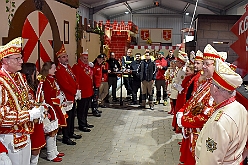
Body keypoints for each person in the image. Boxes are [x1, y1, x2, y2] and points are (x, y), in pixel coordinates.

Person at [177, 45, 226, 165]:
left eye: (206, 64)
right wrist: (183, 111)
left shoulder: (218, 88)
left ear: (217, 65)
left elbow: (209, 115)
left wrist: (184, 120)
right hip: (194, 132)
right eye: (202, 63)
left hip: (202, 136)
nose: (203, 67)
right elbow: (193, 100)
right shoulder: (207, 82)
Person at [0, 37, 44, 165]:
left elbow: (24, 102)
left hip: (25, 132)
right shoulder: (1, 82)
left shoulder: (20, 77)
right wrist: (29, 115)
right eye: (17, 59)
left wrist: (37, 108)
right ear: (5, 60)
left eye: (21, 58)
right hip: (10, 137)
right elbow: (2, 117)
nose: (21, 61)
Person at [195, 58, 248, 165]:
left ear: (215, 89)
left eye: (212, 83)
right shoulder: (240, 107)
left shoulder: (218, 123)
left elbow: (210, 161)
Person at [41, 61, 70, 161]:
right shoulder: (46, 81)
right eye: (53, 68)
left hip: (56, 106)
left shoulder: (51, 79)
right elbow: (48, 98)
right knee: (51, 131)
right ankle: (50, 154)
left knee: (56, 130)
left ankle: (55, 151)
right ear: (48, 69)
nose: (56, 70)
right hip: (52, 108)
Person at [55, 44, 82, 145]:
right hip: (67, 97)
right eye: (63, 57)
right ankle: (66, 137)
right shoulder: (59, 70)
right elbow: (64, 85)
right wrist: (74, 92)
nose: (66, 58)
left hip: (72, 96)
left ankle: (71, 133)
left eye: (66, 56)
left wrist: (77, 89)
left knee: (72, 116)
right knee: (67, 118)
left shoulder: (68, 67)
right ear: (59, 59)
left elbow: (74, 79)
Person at [20, 63, 46, 165]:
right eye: (36, 71)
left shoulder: (34, 85)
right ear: (31, 73)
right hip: (31, 121)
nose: (38, 73)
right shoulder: (26, 88)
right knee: (35, 145)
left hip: (37, 119)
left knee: (38, 145)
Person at [72, 52, 95, 132]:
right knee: (81, 109)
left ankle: (85, 122)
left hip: (88, 91)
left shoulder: (87, 67)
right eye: (84, 58)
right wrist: (77, 90)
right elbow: (76, 79)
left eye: (86, 58)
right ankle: (81, 124)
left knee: (86, 109)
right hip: (82, 92)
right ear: (80, 58)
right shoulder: (77, 67)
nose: (86, 60)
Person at [171, 51, 188, 133]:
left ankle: (178, 127)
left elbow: (182, 81)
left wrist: (177, 86)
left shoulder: (183, 71)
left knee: (178, 108)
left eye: (177, 61)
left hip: (181, 91)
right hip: (178, 91)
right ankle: (176, 126)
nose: (176, 63)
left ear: (181, 63)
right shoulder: (180, 69)